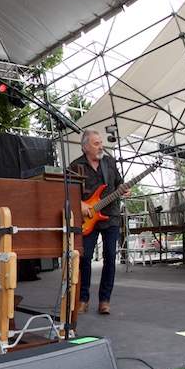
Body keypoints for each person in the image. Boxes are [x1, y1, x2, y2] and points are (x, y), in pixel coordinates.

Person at [71, 129, 127, 316]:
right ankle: (83, 299)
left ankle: (105, 301)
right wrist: (80, 203)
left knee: (110, 258)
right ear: (86, 147)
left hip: (110, 216)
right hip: (88, 219)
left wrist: (123, 189)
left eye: (101, 143)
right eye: (96, 144)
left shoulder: (109, 162)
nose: (101, 146)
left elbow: (119, 183)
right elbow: (67, 192)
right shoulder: (75, 166)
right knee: (84, 258)